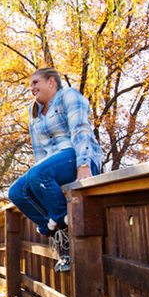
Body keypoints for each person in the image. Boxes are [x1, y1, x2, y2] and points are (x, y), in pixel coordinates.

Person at [8, 67, 102, 273]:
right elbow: (39, 154)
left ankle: (67, 233)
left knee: (37, 174)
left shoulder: (68, 96)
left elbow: (80, 130)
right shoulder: (35, 114)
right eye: (30, 84)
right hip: (51, 167)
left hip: (77, 156)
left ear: (52, 82)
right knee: (17, 192)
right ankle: (59, 233)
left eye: (35, 83)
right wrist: (36, 184)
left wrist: (84, 164)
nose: (31, 88)